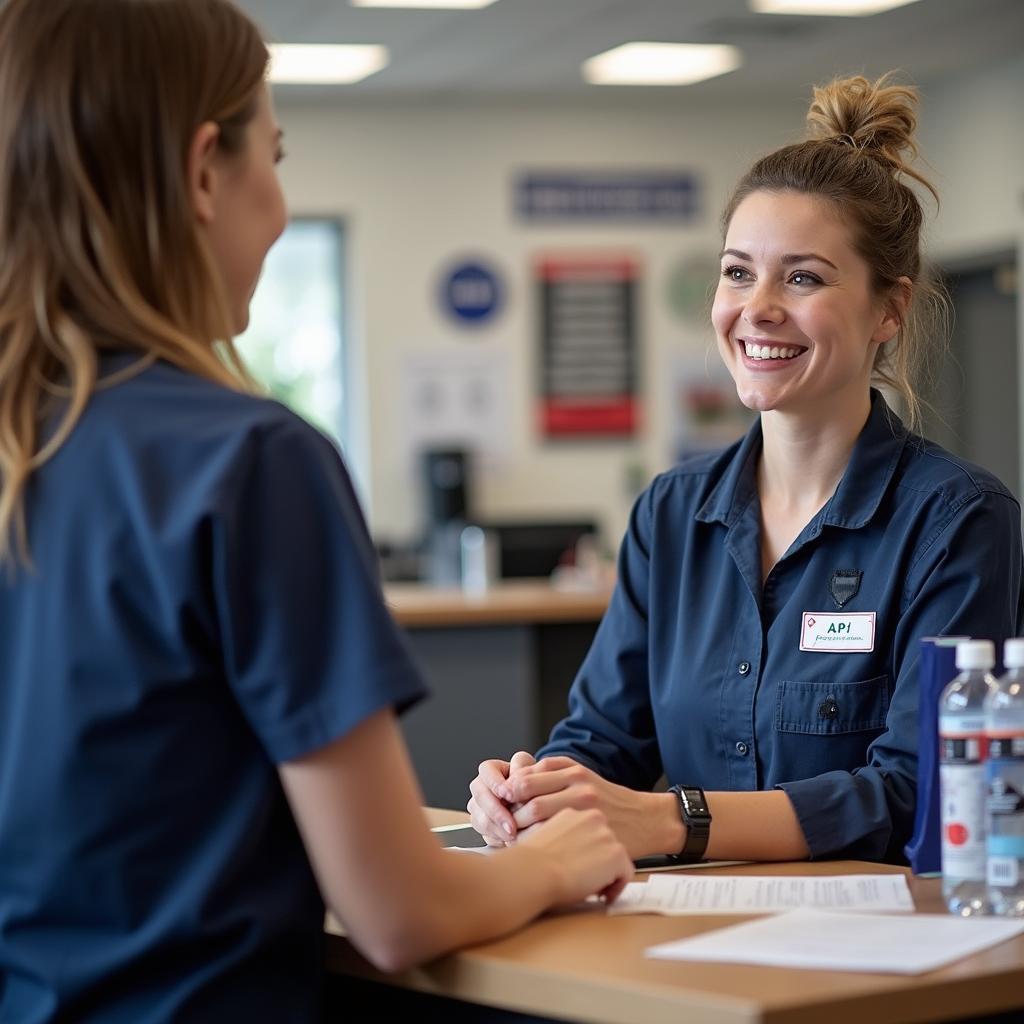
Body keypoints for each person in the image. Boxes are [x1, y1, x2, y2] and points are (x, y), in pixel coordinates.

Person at [0, 1, 634, 1020]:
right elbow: (397, 909)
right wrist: (559, 860)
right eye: (277, 155)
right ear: (206, 169)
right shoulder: (251, 460)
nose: (282, 204)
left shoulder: (25, 449)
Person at [469, 73, 1024, 866]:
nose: (757, 307)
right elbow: (603, 741)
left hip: (878, 950)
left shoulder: (957, 520)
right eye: (737, 271)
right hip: (694, 936)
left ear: (888, 309)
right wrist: (534, 792)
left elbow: (921, 790)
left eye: (803, 277)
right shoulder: (671, 513)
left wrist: (676, 821)